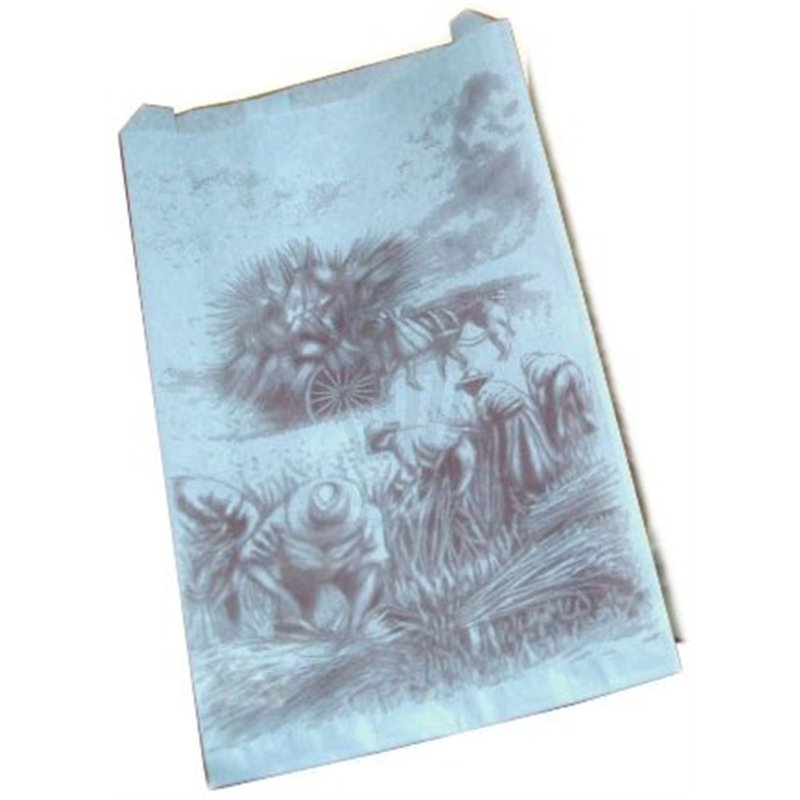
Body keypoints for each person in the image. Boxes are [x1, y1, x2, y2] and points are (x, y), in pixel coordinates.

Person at [238, 478, 388, 634]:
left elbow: (373, 569)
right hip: (300, 577)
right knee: (294, 631)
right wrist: (283, 595)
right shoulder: (281, 519)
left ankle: (355, 626)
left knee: (369, 576)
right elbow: (248, 558)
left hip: (348, 575)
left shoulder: (370, 517)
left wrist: (354, 627)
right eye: (320, 527)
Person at [455, 368, 560, 515]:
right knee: (535, 449)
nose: (467, 391)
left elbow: (486, 423)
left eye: (468, 387)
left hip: (512, 419)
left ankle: (532, 492)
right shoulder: (498, 385)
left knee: (518, 457)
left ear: (475, 384)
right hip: (528, 412)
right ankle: (546, 483)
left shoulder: (481, 398)